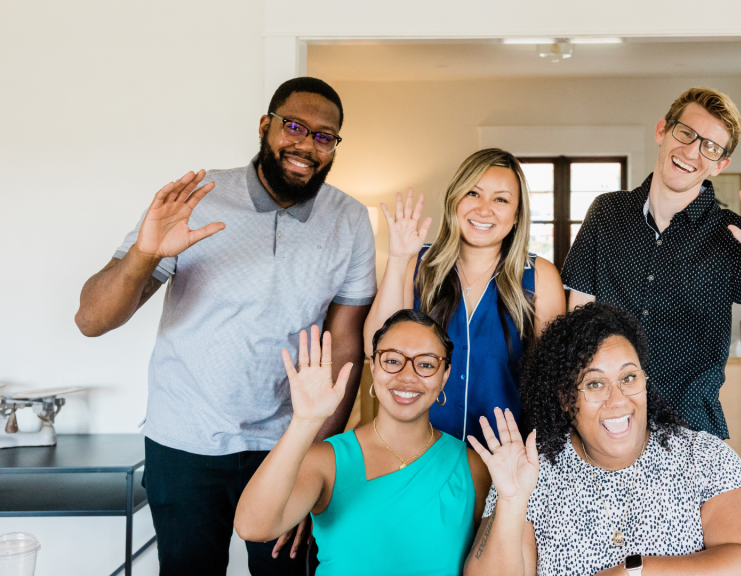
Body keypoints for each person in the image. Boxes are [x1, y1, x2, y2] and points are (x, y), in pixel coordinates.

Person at [73, 77, 376, 574]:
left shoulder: (349, 220)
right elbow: (92, 319)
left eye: (325, 136)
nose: (307, 144)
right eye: (295, 126)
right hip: (186, 439)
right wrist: (146, 253)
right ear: (266, 126)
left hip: (287, 442)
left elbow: (345, 345)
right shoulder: (199, 198)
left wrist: (316, 452)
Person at [561, 87, 741, 439]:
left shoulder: (734, 236)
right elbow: (576, 331)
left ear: (720, 164)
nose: (692, 151)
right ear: (662, 131)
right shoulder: (606, 213)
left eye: (710, 147)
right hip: (604, 426)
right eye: (686, 133)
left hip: (690, 434)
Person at [464, 303, 741, 576]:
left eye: (628, 377)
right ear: (564, 398)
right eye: (595, 383)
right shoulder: (533, 472)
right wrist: (512, 502)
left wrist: (635, 572)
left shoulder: (703, 456)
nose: (618, 401)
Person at [236, 310, 491, 575]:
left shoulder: (474, 467)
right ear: (374, 367)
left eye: (426, 364)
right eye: (392, 360)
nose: (407, 376)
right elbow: (252, 528)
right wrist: (304, 421)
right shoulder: (326, 461)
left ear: (445, 376)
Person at [363, 148, 565, 443]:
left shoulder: (540, 277)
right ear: (455, 199)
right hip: (418, 451)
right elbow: (375, 347)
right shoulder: (417, 264)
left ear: (516, 214)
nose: (484, 209)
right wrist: (396, 259)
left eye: (501, 199)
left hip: (503, 461)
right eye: (473, 193)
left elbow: (553, 382)